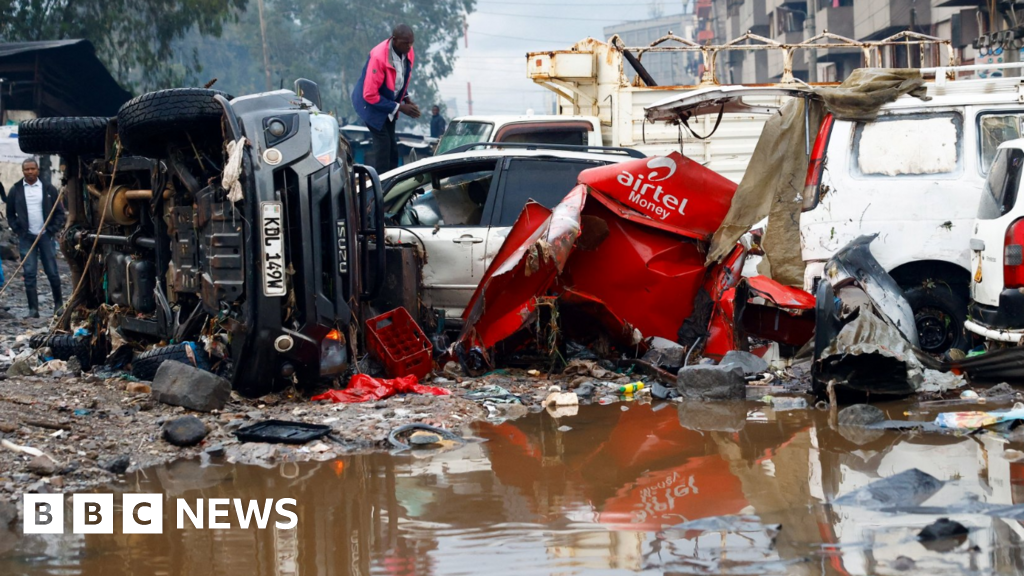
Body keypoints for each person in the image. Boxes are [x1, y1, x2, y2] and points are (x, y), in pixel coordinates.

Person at [352, 23, 421, 175]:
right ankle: (382, 183)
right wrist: (400, 107)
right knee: (383, 146)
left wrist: (406, 98)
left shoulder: (408, 52)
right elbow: (369, 94)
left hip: (388, 103)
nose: (409, 47)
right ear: (394, 40)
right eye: (406, 43)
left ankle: (393, 180)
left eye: (411, 43)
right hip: (370, 104)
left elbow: (399, 79)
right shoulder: (379, 58)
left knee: (393, 149)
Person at [6, 158, 64, 317]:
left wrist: (51, 230)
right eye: (27, 169)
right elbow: (10, 214)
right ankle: (33, 310)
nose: (30, 172)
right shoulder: (16, 190)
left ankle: (58, 305)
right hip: (26, 237)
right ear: (23, 171)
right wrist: (18, 230)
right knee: (29, 273)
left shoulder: (48, 189)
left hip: (45, 236)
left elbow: (59, 213)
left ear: (37, 170)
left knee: (52, 271)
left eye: (32, 169)